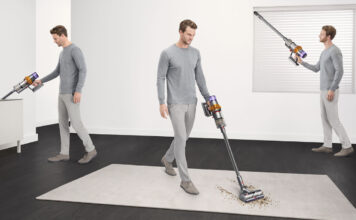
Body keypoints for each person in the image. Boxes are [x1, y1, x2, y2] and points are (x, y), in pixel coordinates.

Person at [157, 19, 211, 195]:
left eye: (194, 35)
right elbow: (160, 78)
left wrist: (208, 97)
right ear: (180, 32)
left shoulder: (196, 53)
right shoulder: (167, 53)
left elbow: (200, 78)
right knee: (181, 137)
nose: (191, 38)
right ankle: (185, 181)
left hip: (192, 102)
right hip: (175, 104)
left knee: (183, 137)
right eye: (189, 34)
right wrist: (162, 101)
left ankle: (167, 159)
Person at [33, 25, 98, 163]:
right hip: (62, 94)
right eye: (53, 39)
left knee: (76, 123)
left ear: (63, 35)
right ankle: (64, 153)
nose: (54, 41)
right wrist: (41, 81)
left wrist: (78, 90)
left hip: (72, 94)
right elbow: (57, 72)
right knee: (62, 123)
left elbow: (83, 70)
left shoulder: (75, 50)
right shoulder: (62, 53)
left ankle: (91, 149)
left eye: (56, 38)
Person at [297, 25, 353, 157]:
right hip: (323, 90)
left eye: (321, 34)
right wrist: (302, 62)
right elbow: (317, 68)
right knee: (324, 118)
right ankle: (327, 145)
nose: (319, 35)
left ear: (328, 36)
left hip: (330, 90)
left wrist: (332, 89)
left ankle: (347, 146)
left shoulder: (335, 51)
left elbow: (340, 71)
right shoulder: (324, 52)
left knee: (334, 120)